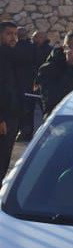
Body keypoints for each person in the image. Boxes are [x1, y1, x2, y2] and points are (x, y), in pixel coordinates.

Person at [0, 21, 24, 178]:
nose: (13, 37)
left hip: (12, 114)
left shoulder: (11, 55)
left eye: (15, 34)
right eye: (9, 34)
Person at [13, 28, 36, 141]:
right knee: (29, 108)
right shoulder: (33, 47)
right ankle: (28, 131)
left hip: (16, 82)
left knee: (18, 107)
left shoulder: (14, 48)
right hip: (30, 81)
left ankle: (19, 130)